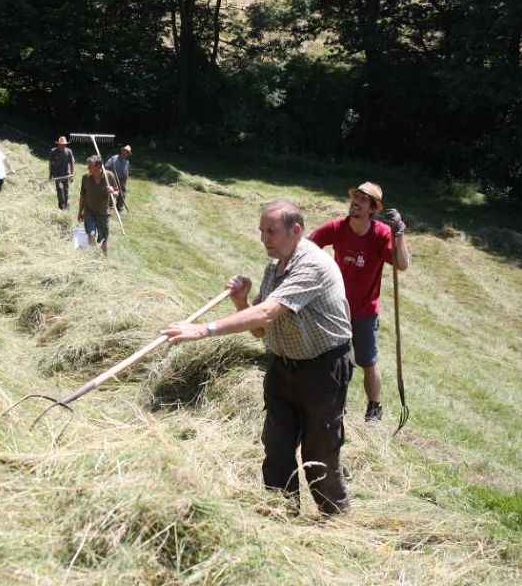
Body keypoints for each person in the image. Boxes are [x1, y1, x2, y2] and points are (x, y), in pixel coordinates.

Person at [162, 200, 354, 515]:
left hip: (323, 371)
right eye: (261, 231)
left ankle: (335, 516)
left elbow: (267, 311)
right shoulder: (274, 266)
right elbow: (260, 327)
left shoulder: (313, 265)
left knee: (319, 453)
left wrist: (202, 330)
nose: (264, 238)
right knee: (276, 449)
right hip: (282, 368)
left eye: (271, 231)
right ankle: (281, 514)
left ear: (296, 230)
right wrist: (240, 301)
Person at [309, 182, 410, 422]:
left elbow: (402, 264)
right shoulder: (338, 227)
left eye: (364, 199)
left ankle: (374, 408)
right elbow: (308, 245)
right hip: (335, 308)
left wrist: (399, 234)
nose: (356, 201)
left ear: (373, 208)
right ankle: (334, 404)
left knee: (367, 362)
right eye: (356, 197)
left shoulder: (380, 234)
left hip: (365, 312)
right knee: (332, 359)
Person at [77, 155, 118, 255]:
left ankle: (104, 259)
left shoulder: (109, 176)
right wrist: (80, 212)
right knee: (91, 235)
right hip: (89, 212)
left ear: (99, 166)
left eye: (90, 166)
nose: (88, 168)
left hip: (103, 212)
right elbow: (83, 196)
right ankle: (93, 258)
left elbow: (117, 193)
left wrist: (112, 191)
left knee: (104, 239)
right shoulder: (85, 178)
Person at [49, 136, 75, 210]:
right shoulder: (53, 151)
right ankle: (62, 206)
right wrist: (50, 174)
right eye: (61, 144)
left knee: (65, 190)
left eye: (64, 145)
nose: (63, 146)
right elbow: (51, 163)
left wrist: (72, 174)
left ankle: (66, 204)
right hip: (57, 174)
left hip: (66, 174)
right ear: (58, 144)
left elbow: (72, 163)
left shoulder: (69, 152)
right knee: (60, 189)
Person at [104, 144, 132, 212]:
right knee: (111, 191)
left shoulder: (127, 162)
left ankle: (119, 206)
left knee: (122, 193)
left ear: (128, 154)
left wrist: (125, 180)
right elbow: (106, 166)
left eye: (127, 152)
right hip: (113, 178)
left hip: (122, 180)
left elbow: (126, 171)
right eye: (124, 151)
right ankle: (109, 205)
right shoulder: (114, 158)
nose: (125, 153)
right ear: (122, 151)